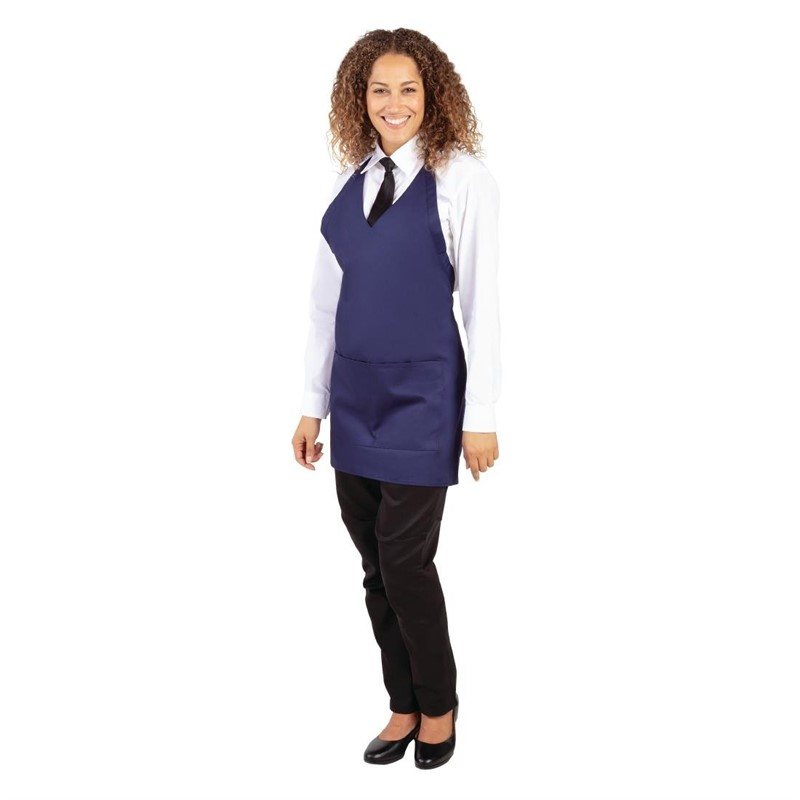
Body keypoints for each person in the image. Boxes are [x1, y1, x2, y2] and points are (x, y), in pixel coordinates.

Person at [291, 27, 501, 769]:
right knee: (375, 567)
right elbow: (325, 306)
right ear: (360, 98)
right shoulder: (348, 183)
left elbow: (481, 305)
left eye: (408, 89)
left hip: (424, 398)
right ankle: (402, 702)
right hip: (354, 398)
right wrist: (312, 403)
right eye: (379, 89)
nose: (394, 103)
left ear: (432, 95)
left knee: (405, 561)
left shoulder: (462, 179)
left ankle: (439, 705)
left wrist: (481, 417)